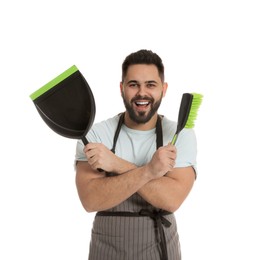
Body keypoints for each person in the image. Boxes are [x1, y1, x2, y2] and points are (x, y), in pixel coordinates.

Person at [75, 49, 197, 260]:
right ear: (122, 89)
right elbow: (90, 200)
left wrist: (117, 164)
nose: (142, 93)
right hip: (106, 250)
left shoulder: (179, 135)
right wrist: (150, 171)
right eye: (133, 85)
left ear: (163, 89)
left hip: (160, 249)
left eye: (151, 84)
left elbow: (171, 200)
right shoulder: (96, 134)